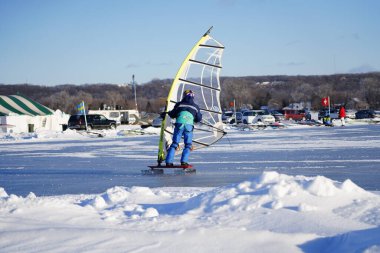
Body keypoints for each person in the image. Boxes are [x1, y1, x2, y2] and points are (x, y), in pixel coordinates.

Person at [165, 89, 202, 166]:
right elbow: (198, 119)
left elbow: (172, 114)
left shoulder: (179, 104)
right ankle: (184, 162)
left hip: (179, 125)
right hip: (188, 126)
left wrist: (167, 113)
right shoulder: (195, 106)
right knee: (188, 144)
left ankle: (168, 162)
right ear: (193, 96)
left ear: (184, 95)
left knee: (175, 143)